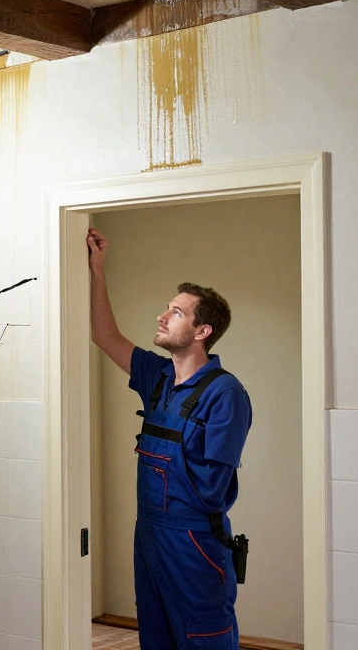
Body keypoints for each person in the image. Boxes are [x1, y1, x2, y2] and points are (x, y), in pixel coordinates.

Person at [86, 228, 252, 650]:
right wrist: (96, 268)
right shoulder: (156, 378)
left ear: (202, 331)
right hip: (150, 536)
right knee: (156, 637)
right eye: (166, 309)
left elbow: (212, 486)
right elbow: (105, 336)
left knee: (203, 639)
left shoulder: (225, 394)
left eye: (175, 312)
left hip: (194, 542)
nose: (162, 317)